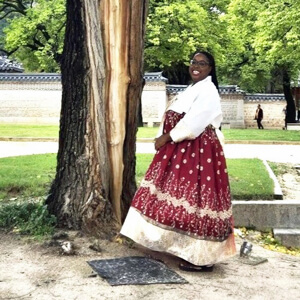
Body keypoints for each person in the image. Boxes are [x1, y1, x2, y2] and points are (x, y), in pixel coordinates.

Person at [120, 50, 236, 272]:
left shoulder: (208, 90)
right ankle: (175, 246)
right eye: (193, 62)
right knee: (173, 196)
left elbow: (194, 123)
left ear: (210, 69)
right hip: (183, 149)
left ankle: (203, 258)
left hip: (198, 150)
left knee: (198, 200)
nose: (196, 66)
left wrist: (166, 137)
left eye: (202, 63)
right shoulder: (193, 88)